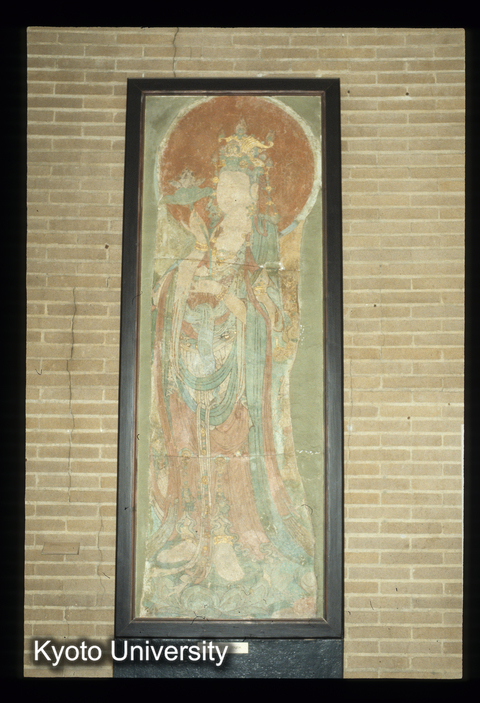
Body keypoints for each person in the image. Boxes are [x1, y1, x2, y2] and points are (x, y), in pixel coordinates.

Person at [141, 121, 317, 619]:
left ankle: (233, 537)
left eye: (235, 185)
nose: (224, 193)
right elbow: (177, 282)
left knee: (234, 449)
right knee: (187, 443)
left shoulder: (261, 240)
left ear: (253, 193)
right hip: (191, 361)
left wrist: (235, 300)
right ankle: (194, 532)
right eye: (221, 184)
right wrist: (186, 272)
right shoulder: (208, 233)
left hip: (238, 371)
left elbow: (273, 315)